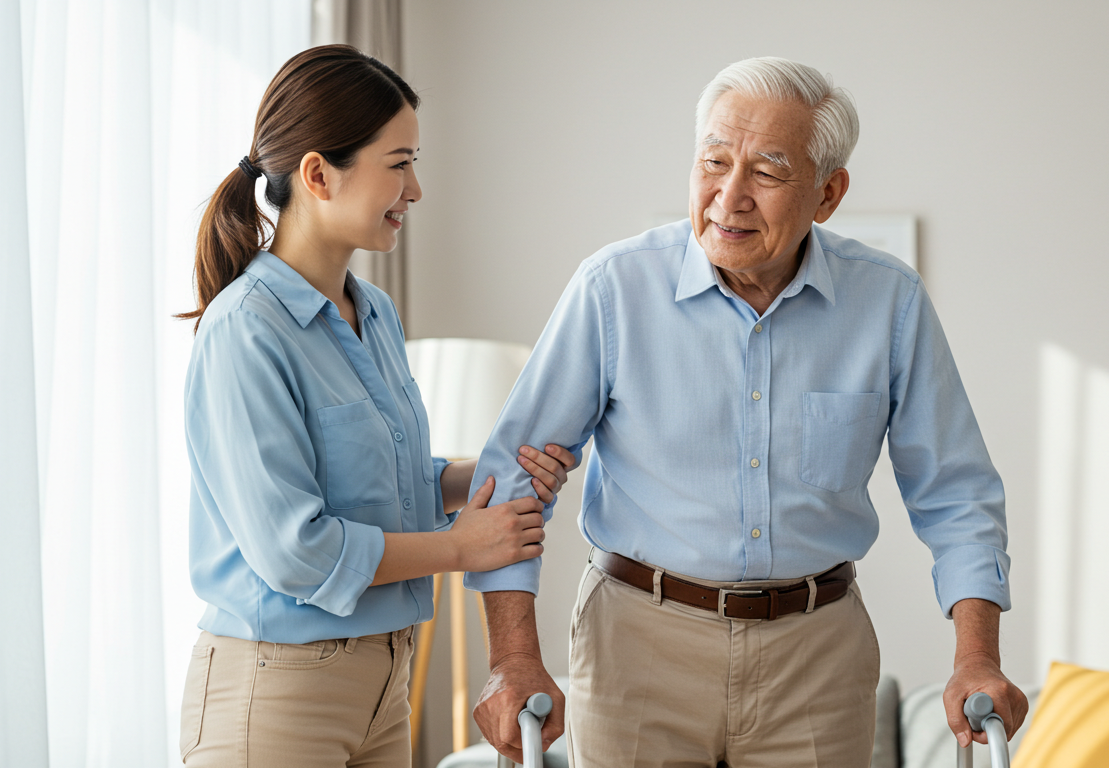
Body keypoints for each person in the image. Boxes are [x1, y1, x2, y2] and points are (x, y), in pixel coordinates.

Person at [468, 56, 1027, 767]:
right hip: (636, 643)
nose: (728, 197)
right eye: (713, 162)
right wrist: (513, 658)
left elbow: (957, 492)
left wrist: (976, 656)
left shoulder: (889, 302)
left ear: (828, 194)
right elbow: (512, 479)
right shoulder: (613, 289)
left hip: (817, 655)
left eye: (766, 173)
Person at [176, 45, 576, 768]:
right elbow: (295, 550)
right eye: (398, 164)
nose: (415, 189)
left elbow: (382, 485)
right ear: (318, 175)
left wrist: (475, 477)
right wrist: (461, 547)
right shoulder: (246, 329)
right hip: (277, 691)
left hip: (385, 685)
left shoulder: (375, 313)